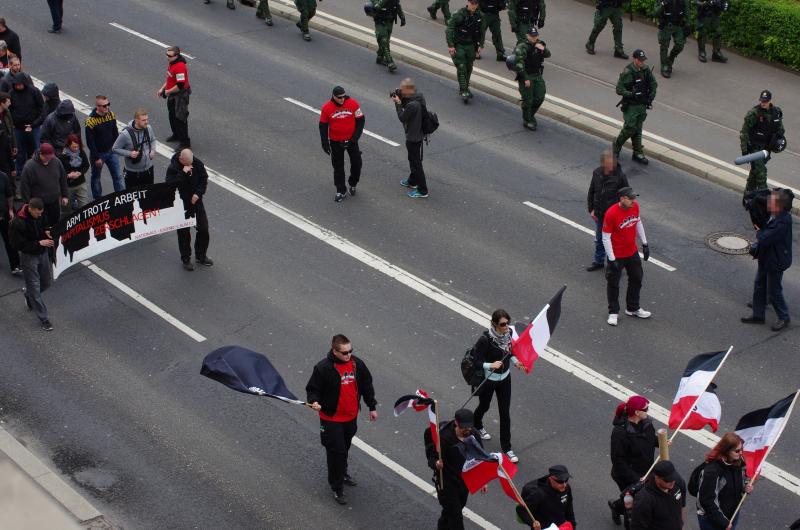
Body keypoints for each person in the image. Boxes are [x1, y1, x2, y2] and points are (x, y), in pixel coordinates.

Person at [306, 334, 377, 505]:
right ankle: (337, 487)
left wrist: (372, 406)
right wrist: (313, 402)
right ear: (335, 351)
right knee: (336, 452)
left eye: (350, 351)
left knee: (344, 448)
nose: (349, 355)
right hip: (331, 419)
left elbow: (367, 385)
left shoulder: (356, 364)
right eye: (345, 352)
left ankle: (342, 473)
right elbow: (312, 389)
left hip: (350, 417)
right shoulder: (323, 368)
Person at [471, 309, 524, 462]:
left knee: (505, 413)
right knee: (484, 405)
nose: (506, 326)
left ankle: (507, 448)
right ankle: (477, 424)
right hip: (489, 379)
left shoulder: (509, 335)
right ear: (494, 324)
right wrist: (490, 365)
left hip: (505, 379)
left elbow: (510, 352)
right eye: (502, 324)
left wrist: (516, 362)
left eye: (508, 322)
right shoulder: (485, 340)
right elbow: (476, 362)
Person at [425, 409, 487, 530]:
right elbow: (431, 458)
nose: (467, 430)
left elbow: (480, 456)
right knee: (456, 517)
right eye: (464, 428)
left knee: (453, 511)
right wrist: (436, 463)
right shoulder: (444, 438)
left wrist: (482, 480)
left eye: (469, 427)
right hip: (447, 483)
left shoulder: (473, 434)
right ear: (456, 423)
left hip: (464, 481)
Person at [741, 188, 792, 331]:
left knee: (774, 290)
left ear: (779, 207)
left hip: (775, 261)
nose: (768, 203)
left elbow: (764, 237)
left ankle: (784, 317)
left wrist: (758, 230)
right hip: (767, 256)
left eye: (772, 202)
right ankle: (758, 314)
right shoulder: (775, 215)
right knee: (759, 284)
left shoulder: (782, 223)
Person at [602, 186, 651, 326]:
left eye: (634, 198)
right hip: (616, 255)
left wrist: (645, 244)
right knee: (613, 284)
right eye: (631, 198)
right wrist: (611, 259)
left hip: (632, 252)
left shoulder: (635, 206)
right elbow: (605, 237)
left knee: (637, 278)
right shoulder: (611, 214)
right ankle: (613, 312)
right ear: (622, 199)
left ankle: (632, 308)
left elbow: (638, 223)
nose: (634, 201)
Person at [607, 395, 657, 527]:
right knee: (633, 504)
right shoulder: (620, 433)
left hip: (646, 472)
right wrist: (636, 478)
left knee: (634, 500)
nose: (648, 411)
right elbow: (618, 460)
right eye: (646, 409)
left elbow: (650, 438)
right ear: (636, 412)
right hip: (627, 476)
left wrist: (660, 442)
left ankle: (616, 507)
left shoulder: (646, 423)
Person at [9, 197, 54, 331]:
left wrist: (46, 230)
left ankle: (29, 295)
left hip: (43, 253)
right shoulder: (17, 223)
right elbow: (16, 244)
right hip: (29, 257)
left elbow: (43, 225)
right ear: (30, 209)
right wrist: (39, 243)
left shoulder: (40, 213)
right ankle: (44, 318)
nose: (40, 215)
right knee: (35, 286)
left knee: (46, 282)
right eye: (38, 213)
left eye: (41, 213)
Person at [165, 149, 212, 271]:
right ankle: (186, 258)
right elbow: (169, 185)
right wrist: (182, 174)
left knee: (203, 229)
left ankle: (201, 255)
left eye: (191, 162)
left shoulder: (196, 163)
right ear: (181, 159)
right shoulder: (173, 168)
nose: (190, 165)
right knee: (184, 233)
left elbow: (204, 178)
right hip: (181, 205)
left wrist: (198, 194)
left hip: (196, 202)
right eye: (187, 164)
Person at [696, 432, 753, 530]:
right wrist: (723, 522)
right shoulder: (712, 471)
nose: (741, 453)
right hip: (713, 521)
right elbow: (707, 501)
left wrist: (745, 486)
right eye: (737, 451)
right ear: (727, 451)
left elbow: (744, 477)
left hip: (732, 515)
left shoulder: (739, 461)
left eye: (741, 449)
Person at [319, 86, 365, 202]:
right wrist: (325, 142)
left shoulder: (353, 104)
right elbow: (323, 126)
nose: (342, 99)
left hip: (351, 141)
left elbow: (361, 120)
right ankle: (341, 190)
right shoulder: (326, 108)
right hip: (335, 141)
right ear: (334, 96)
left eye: (344, 96)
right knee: (338, 166)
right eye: (339, 97)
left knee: (357, 163)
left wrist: (354, 138)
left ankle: (352, 183)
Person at [613, 49, 657, 165]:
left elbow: (653, 84)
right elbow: (619, 89)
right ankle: (616, 147)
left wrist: (651, 96)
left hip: (641, 104)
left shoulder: (646, 70)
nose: (641, 62)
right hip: (631, 105)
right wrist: (630, 94)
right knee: (630, 128)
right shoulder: (628, 71)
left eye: (643, 60)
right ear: (634, 59)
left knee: (638, 129)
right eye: (639, 60)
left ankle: (637, 152)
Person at [586, 150, 628, 271]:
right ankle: (598, 261)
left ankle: (615, 264)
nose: (612, 165)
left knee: (614, 241)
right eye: (609, 162)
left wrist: (622, 214)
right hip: (600, 213)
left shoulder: (620, 176)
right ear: (603, 163)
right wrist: (591, 209)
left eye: (613, 162)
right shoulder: (597, 173)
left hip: (613, 216)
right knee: (600, 239)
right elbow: (591, 191)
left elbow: (626, 195)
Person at [739, 90, 784, 193]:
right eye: (762, 100)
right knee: (761, 172)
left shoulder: (776, 113)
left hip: (767, 149)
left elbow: (781, 130)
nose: (763, 103)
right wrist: (744, 151)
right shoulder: (754, 113)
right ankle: (764, 197)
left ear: (770, 101)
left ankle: (748, 195)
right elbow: (744, 132)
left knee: (755, 172)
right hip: (755, 148)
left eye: (765, 101)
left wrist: (778, 141)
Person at [392, 78, 429, 198]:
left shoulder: (412, 105)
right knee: (412, 159)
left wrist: (398, 103)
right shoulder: (418, 96)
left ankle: (423, 190)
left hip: (413, 136)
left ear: (408, 90)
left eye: (403, 89)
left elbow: (402, 117)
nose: (401, 91)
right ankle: (412, 181)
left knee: (416, 163)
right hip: (418, 132)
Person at [20, 143, 67, 227]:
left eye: (50, 157)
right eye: (46, 158)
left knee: (55, 223)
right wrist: (28, 204)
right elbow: (24, 187)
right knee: (41, 226)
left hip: (54, 202)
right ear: (40, 154)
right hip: (39, 205)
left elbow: (63, 178)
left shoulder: (56, 161)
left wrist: (64, 195)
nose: (48, 160)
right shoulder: (30, 167)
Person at [630, 460, 686, 530]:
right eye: (667, 480)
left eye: (673, 478)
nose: (672, 482)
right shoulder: (644, 499)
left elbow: (682, 505)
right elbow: (638, 527)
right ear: (657, 477)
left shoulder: (678, 482)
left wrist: (681, 524)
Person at [446, 0, 484, 103]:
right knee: (462, 67)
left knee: (469, 67)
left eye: (476, 3)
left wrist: (481, 45)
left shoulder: (479, 15)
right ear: (468, 2)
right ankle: (464, 90)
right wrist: (451, 45)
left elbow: (481, 31)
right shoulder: (459, 14)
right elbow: (449, 29)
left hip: (471, 45)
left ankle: (464, 87)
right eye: (472, 3)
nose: (474, 5)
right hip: (459, 45)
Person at [85, 95, 123, 199]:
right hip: (99, 154)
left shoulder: (111, 115)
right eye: (104, 106)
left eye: (108, 104)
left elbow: (115, 132)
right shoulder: (90, 121)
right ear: (98, 107)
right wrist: (97, 157)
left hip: (111, 151)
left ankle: (121, 197)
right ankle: (97, 199)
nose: (107, 107)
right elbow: (90, 142)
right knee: (96, 177)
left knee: (118, 176)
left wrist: (117, 147)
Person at [517, 465, 577, 529]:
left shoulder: (566, 488)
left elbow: (569, 508)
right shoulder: (537, 493)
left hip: (560, 527)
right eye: (560, 481)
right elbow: (521, 510)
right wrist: (532, 523)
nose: (564, 484)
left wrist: (573, 526)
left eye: (566, 480)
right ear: (550, 478)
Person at [513, 27, 550, 131]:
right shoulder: (522, 46)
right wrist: (525, 78)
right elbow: (519, 64)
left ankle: (529, 113)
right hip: (526, 75)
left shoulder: (539, 44)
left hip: (537, 75)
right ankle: (527, 119)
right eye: (532, 36)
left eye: (535, 36)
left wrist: (542, 48)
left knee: (540, 96)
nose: (534, 38)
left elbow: (548, 54)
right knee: (528, 100)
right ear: (527, 36)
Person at [9, 72, 43, 176]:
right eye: (16, 84)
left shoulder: (34, 92)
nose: (18, 86)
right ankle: (20, 171)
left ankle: (37, 171)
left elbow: (41, 109)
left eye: (20, 84)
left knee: (36, 150)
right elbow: (9, 110)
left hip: (33, 127)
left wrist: (34, 124)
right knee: (19, 151)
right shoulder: (11, 93)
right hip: (18, 128)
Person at [113, 108, 157, 189]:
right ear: (136, 120)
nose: (146, 122)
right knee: (133, 199)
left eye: (147, 119)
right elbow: (115, 148)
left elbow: (153, 140)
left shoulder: (149, 128)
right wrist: (129, 153)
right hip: (132, 174)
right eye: (143, 120)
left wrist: (153, 150)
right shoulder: (125, 134)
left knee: (149, 196)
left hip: (148, 170)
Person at [157, 46, 191, 149]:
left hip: (180, 95)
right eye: (166, 54)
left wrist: (167, 92)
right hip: (172, 93)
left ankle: (185, 143)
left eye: (170, 55)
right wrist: (162, 89)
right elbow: (170, 78)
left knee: (180, 118)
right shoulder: (172, 63)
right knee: (172, 115)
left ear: (177, 55)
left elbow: (180, 85)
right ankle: (176, 135)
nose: (167, 57)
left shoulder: (180, 67)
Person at [57, 134, 90, 216]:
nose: (75, 149)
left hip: (80, 183)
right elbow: (59, 172)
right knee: (66, 210)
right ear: (68, 145)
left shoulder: (81, 152)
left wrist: (80, 173)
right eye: (73, 147)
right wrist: (68, 175)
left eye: (77, 146)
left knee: (84, 207)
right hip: (68, 186)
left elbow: (86, 165)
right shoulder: (62, 156)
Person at [654, 0, 690, 78]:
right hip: (666, 25)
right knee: (664, 46)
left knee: (680, 45)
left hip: (678, 25)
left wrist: (688, 24)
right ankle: (664, 66)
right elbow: (655, 13)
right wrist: (663, 4)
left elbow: (687, 11)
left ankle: (669, 60)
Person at [372, 0, 406, 72]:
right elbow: (377, 7)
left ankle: (380, 57)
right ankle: (390, 62)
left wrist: (402, 16)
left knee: (386, 41)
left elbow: (397, 5)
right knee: (384, 41)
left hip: (389, 22)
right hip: (380, 22)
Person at [0, 168, 21, 275]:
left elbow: (9, 195)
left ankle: (15, 265)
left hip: (4, 214)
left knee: (10, 240)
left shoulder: (3, 176)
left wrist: (11, 209)